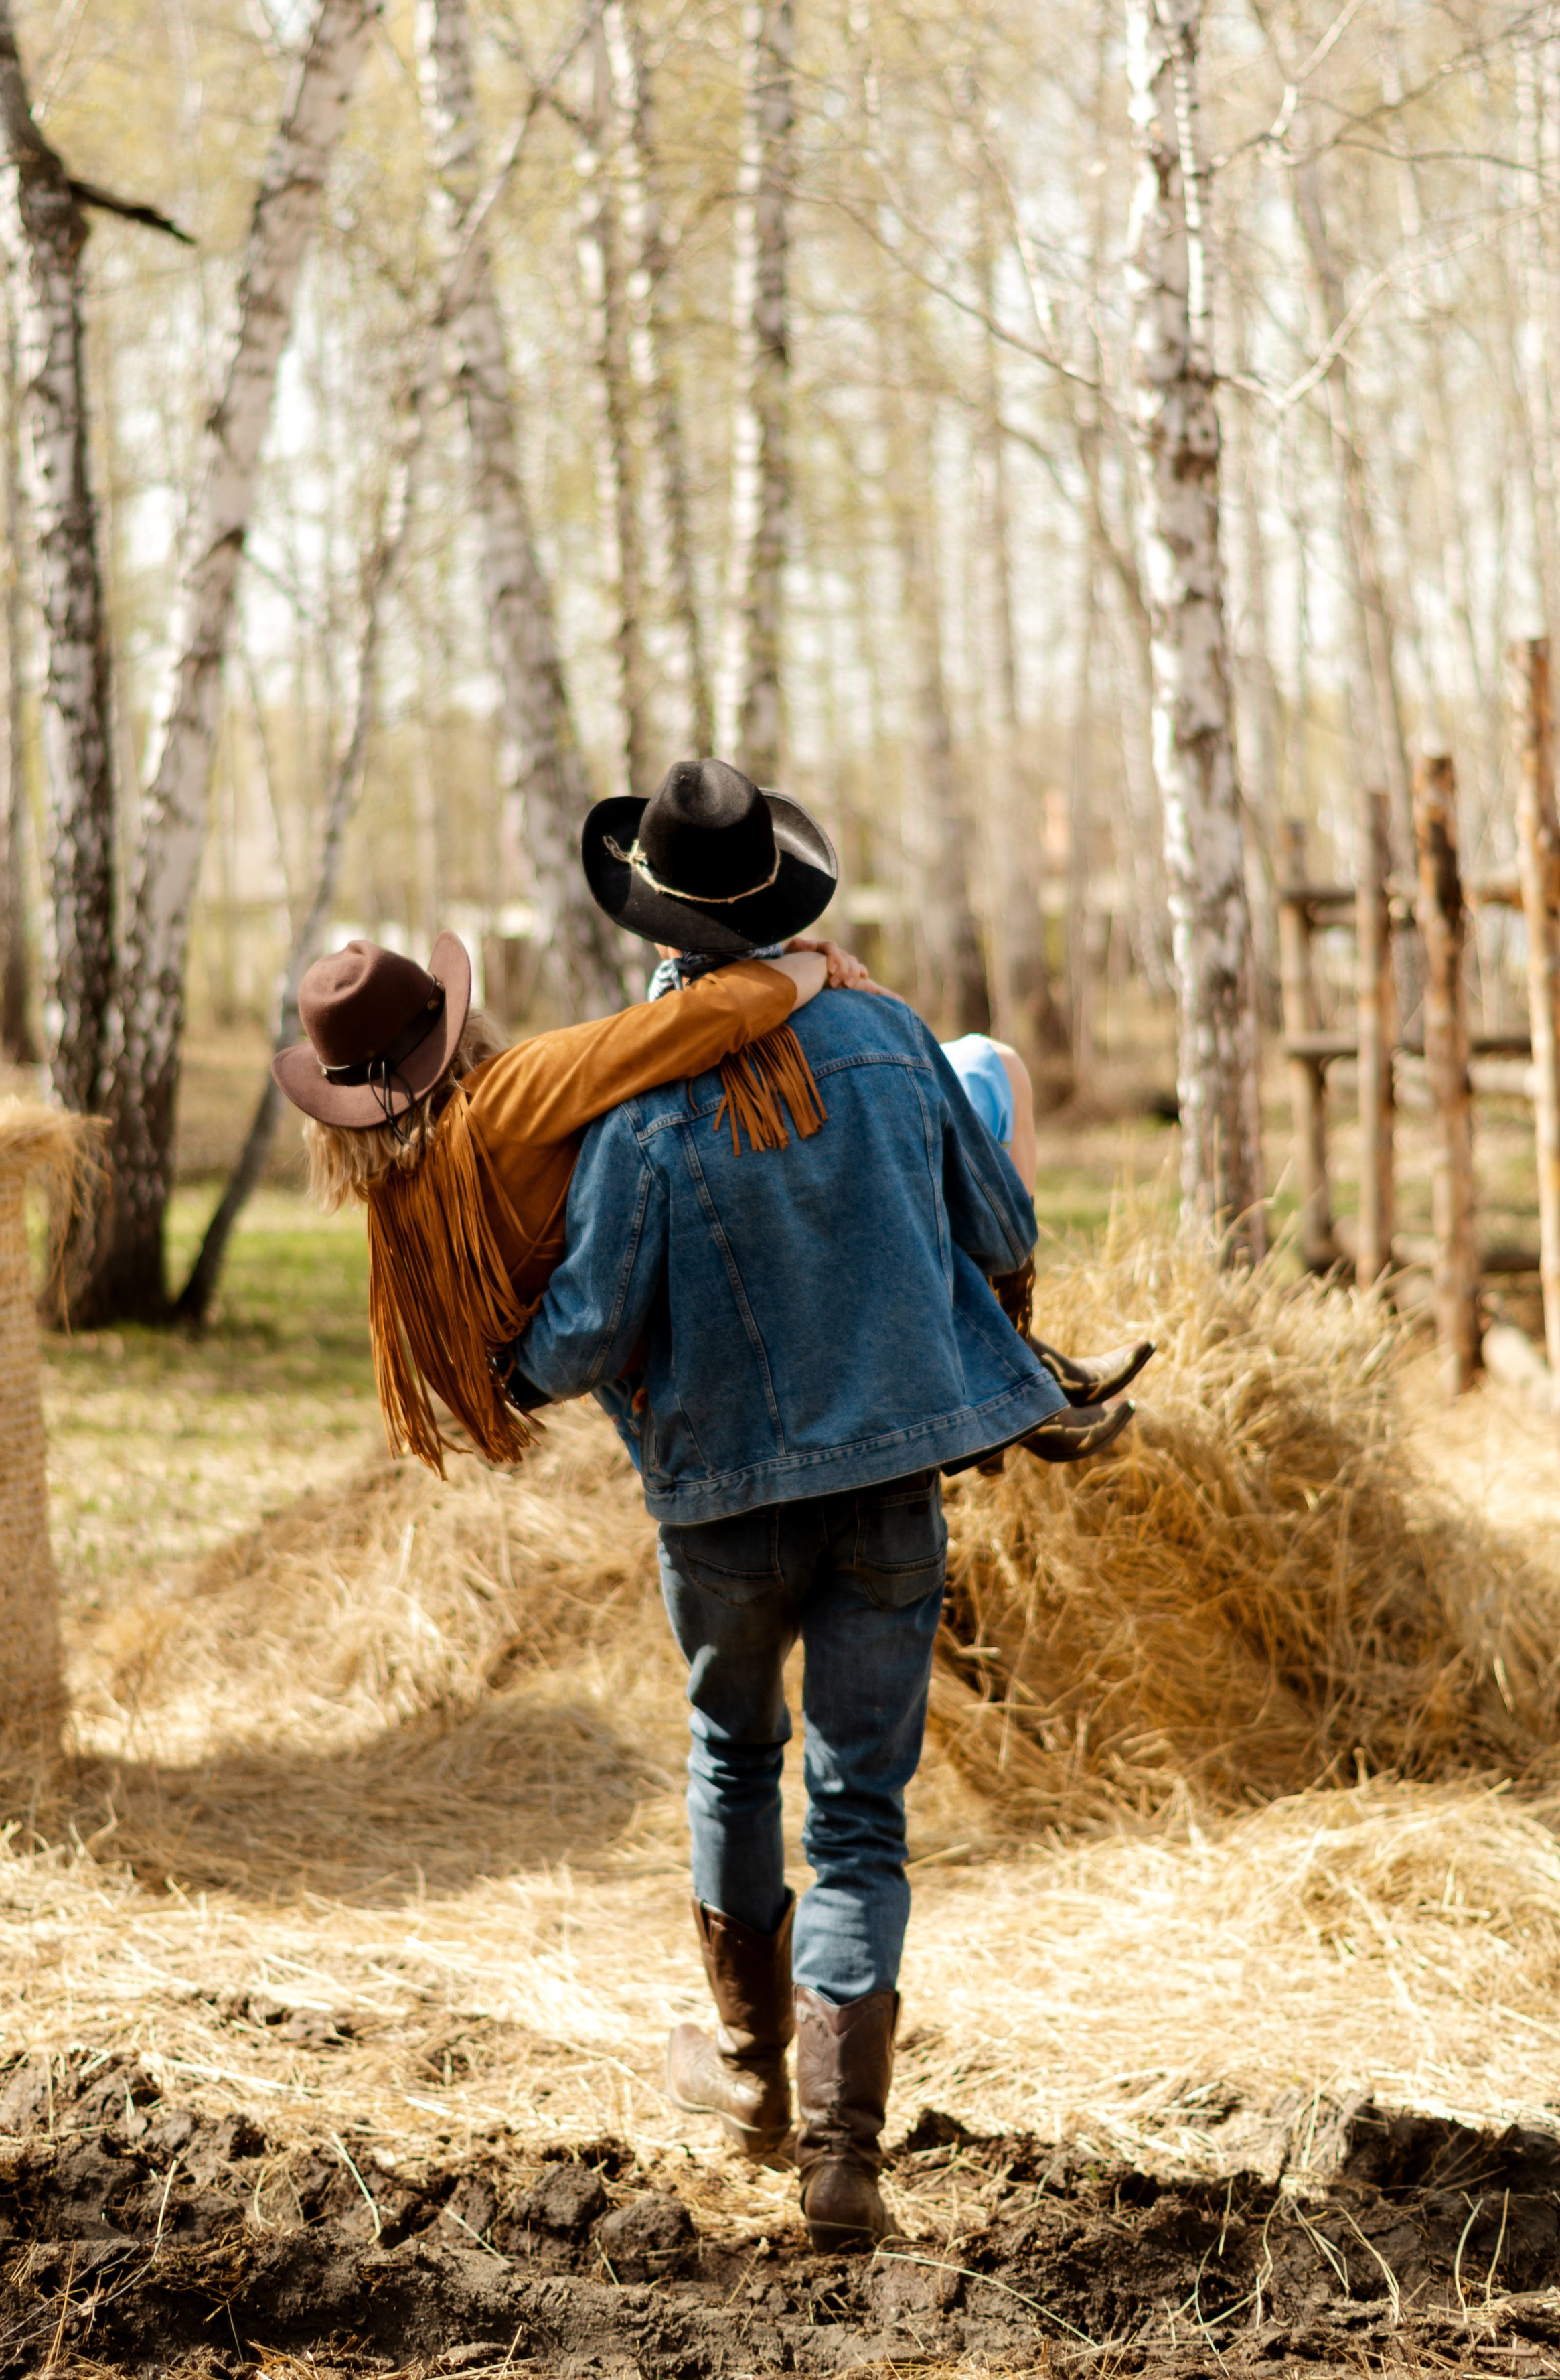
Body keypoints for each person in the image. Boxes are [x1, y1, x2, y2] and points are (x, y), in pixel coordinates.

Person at [511, 759, 1144, 2253]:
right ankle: (844, 2157)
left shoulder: (636, 1091)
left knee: (733, 1754)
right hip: (887, 1487)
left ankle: (748, 2087)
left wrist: (494, 1355)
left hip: (720, 1506)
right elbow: (996, 1222)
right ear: (781, 901)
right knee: (861, 1815)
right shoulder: (882, 1032)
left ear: (653, 921)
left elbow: (588, 1333)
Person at [270, 909, 862, 1468]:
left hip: (643, 1403)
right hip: (718, 1382)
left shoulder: (403, 1196)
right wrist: (809, 964)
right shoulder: (502, 1102)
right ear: (453, 1022)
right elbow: (695, 1023)